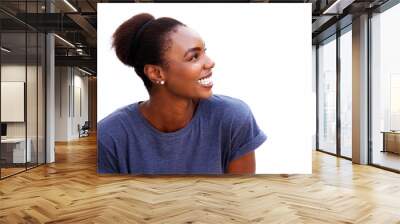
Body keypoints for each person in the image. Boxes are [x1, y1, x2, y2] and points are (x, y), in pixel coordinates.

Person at [98, 13, 267, 174]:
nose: (210, 63)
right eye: (194, 57)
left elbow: (240, 197)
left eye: (204, 52)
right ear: (156, 73)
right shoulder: (109, 137)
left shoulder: (233, 117)